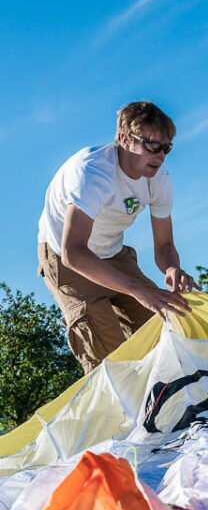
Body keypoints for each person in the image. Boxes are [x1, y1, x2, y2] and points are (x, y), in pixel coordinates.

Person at [37, 100, 199, 373]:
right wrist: (138, 289)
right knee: (108, 358)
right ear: (125, 139)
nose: (159, 156)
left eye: (166, 148)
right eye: (151, 145)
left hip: (113, 253)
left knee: (162, 327)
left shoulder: (159, 179)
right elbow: (73, 252)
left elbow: (165, 245)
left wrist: (172, 267)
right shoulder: (92, 173)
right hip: (67, 259)